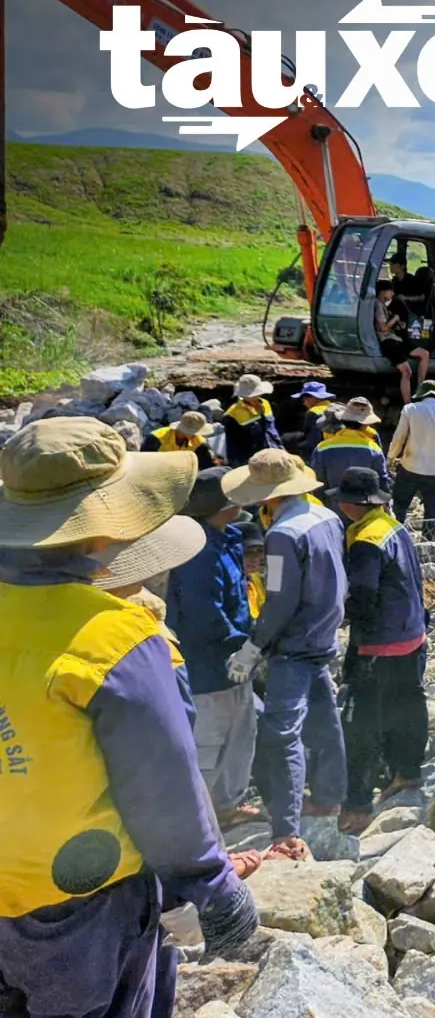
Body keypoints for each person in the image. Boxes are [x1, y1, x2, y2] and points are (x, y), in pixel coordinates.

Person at [0, 418, 260, 1015]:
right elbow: (163, 788)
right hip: (80, 908)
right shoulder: (116, 639)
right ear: (97, 535)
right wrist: (213, 889)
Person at [220, 450, 348, 855]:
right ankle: (329, 797)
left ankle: (286, 830)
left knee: (281, 733)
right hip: (325, 632)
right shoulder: (325, 516)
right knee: (326, 720)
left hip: (294, 643)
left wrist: (254, 647)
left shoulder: (281, 535)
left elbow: (278, 600)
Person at [325, 466, 429, 835]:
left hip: (379, 643)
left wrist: (339, 619)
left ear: (353, 504)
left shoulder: (366, 540)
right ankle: (408, 773)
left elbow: (364, 595)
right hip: (412, 635)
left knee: (361, 721)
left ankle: (358, 803)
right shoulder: (394, 527)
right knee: (409, 703)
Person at [166, 467, 262, 827]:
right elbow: (204, 612)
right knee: (209, 741)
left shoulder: (228, 538)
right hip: (210, 662)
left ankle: (228, 806)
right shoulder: (199, 551)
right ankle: (199, 819)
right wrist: (244, 643)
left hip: (237, 658)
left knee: (242, 734)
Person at [388, 380, 435, 539]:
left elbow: (399, 438)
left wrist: (390, 458)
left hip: (410, 466)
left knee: (400, 505)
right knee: (431, 509)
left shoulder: (410, 409)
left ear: (422, 394)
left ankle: (397, 537)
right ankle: (428, 540)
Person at [310, 397, 389, 506]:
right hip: (363, 507)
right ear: (365, 424)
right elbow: (382, 480)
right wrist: (386, 505)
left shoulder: (322, 448)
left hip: (332, 506)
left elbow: (317, 480)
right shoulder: (373, 449)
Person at [374, 280, 432, 403]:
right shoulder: (378, 305)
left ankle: (420, 389)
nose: (393, 294)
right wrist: (395, 318)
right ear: (383, 292)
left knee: (424, 354)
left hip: (396, 340)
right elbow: (383, 328)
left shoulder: (384, 305)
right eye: (391, 291)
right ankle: (408, 404)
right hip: (389, 342)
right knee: (407, 371)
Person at [222, 373, 282, 463]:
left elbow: (272, 431)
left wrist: (280, 448)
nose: (256, 397)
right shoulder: (232, 414)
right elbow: (232, 445)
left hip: (273, 452)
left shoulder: (265, 404)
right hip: (251, 460)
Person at [142, 410, 217, 469]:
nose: (197, 435)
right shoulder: (157, 438)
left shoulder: (198, 442)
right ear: (184, 430)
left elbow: (206, 464)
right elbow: (143, 461)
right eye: (194, 433)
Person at [291, 381, 335, 460]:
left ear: (313, 398)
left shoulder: (313, 412)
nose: (304, 403)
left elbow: (313, 440)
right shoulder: (335, 408)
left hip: (321, 452)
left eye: (304, 399)